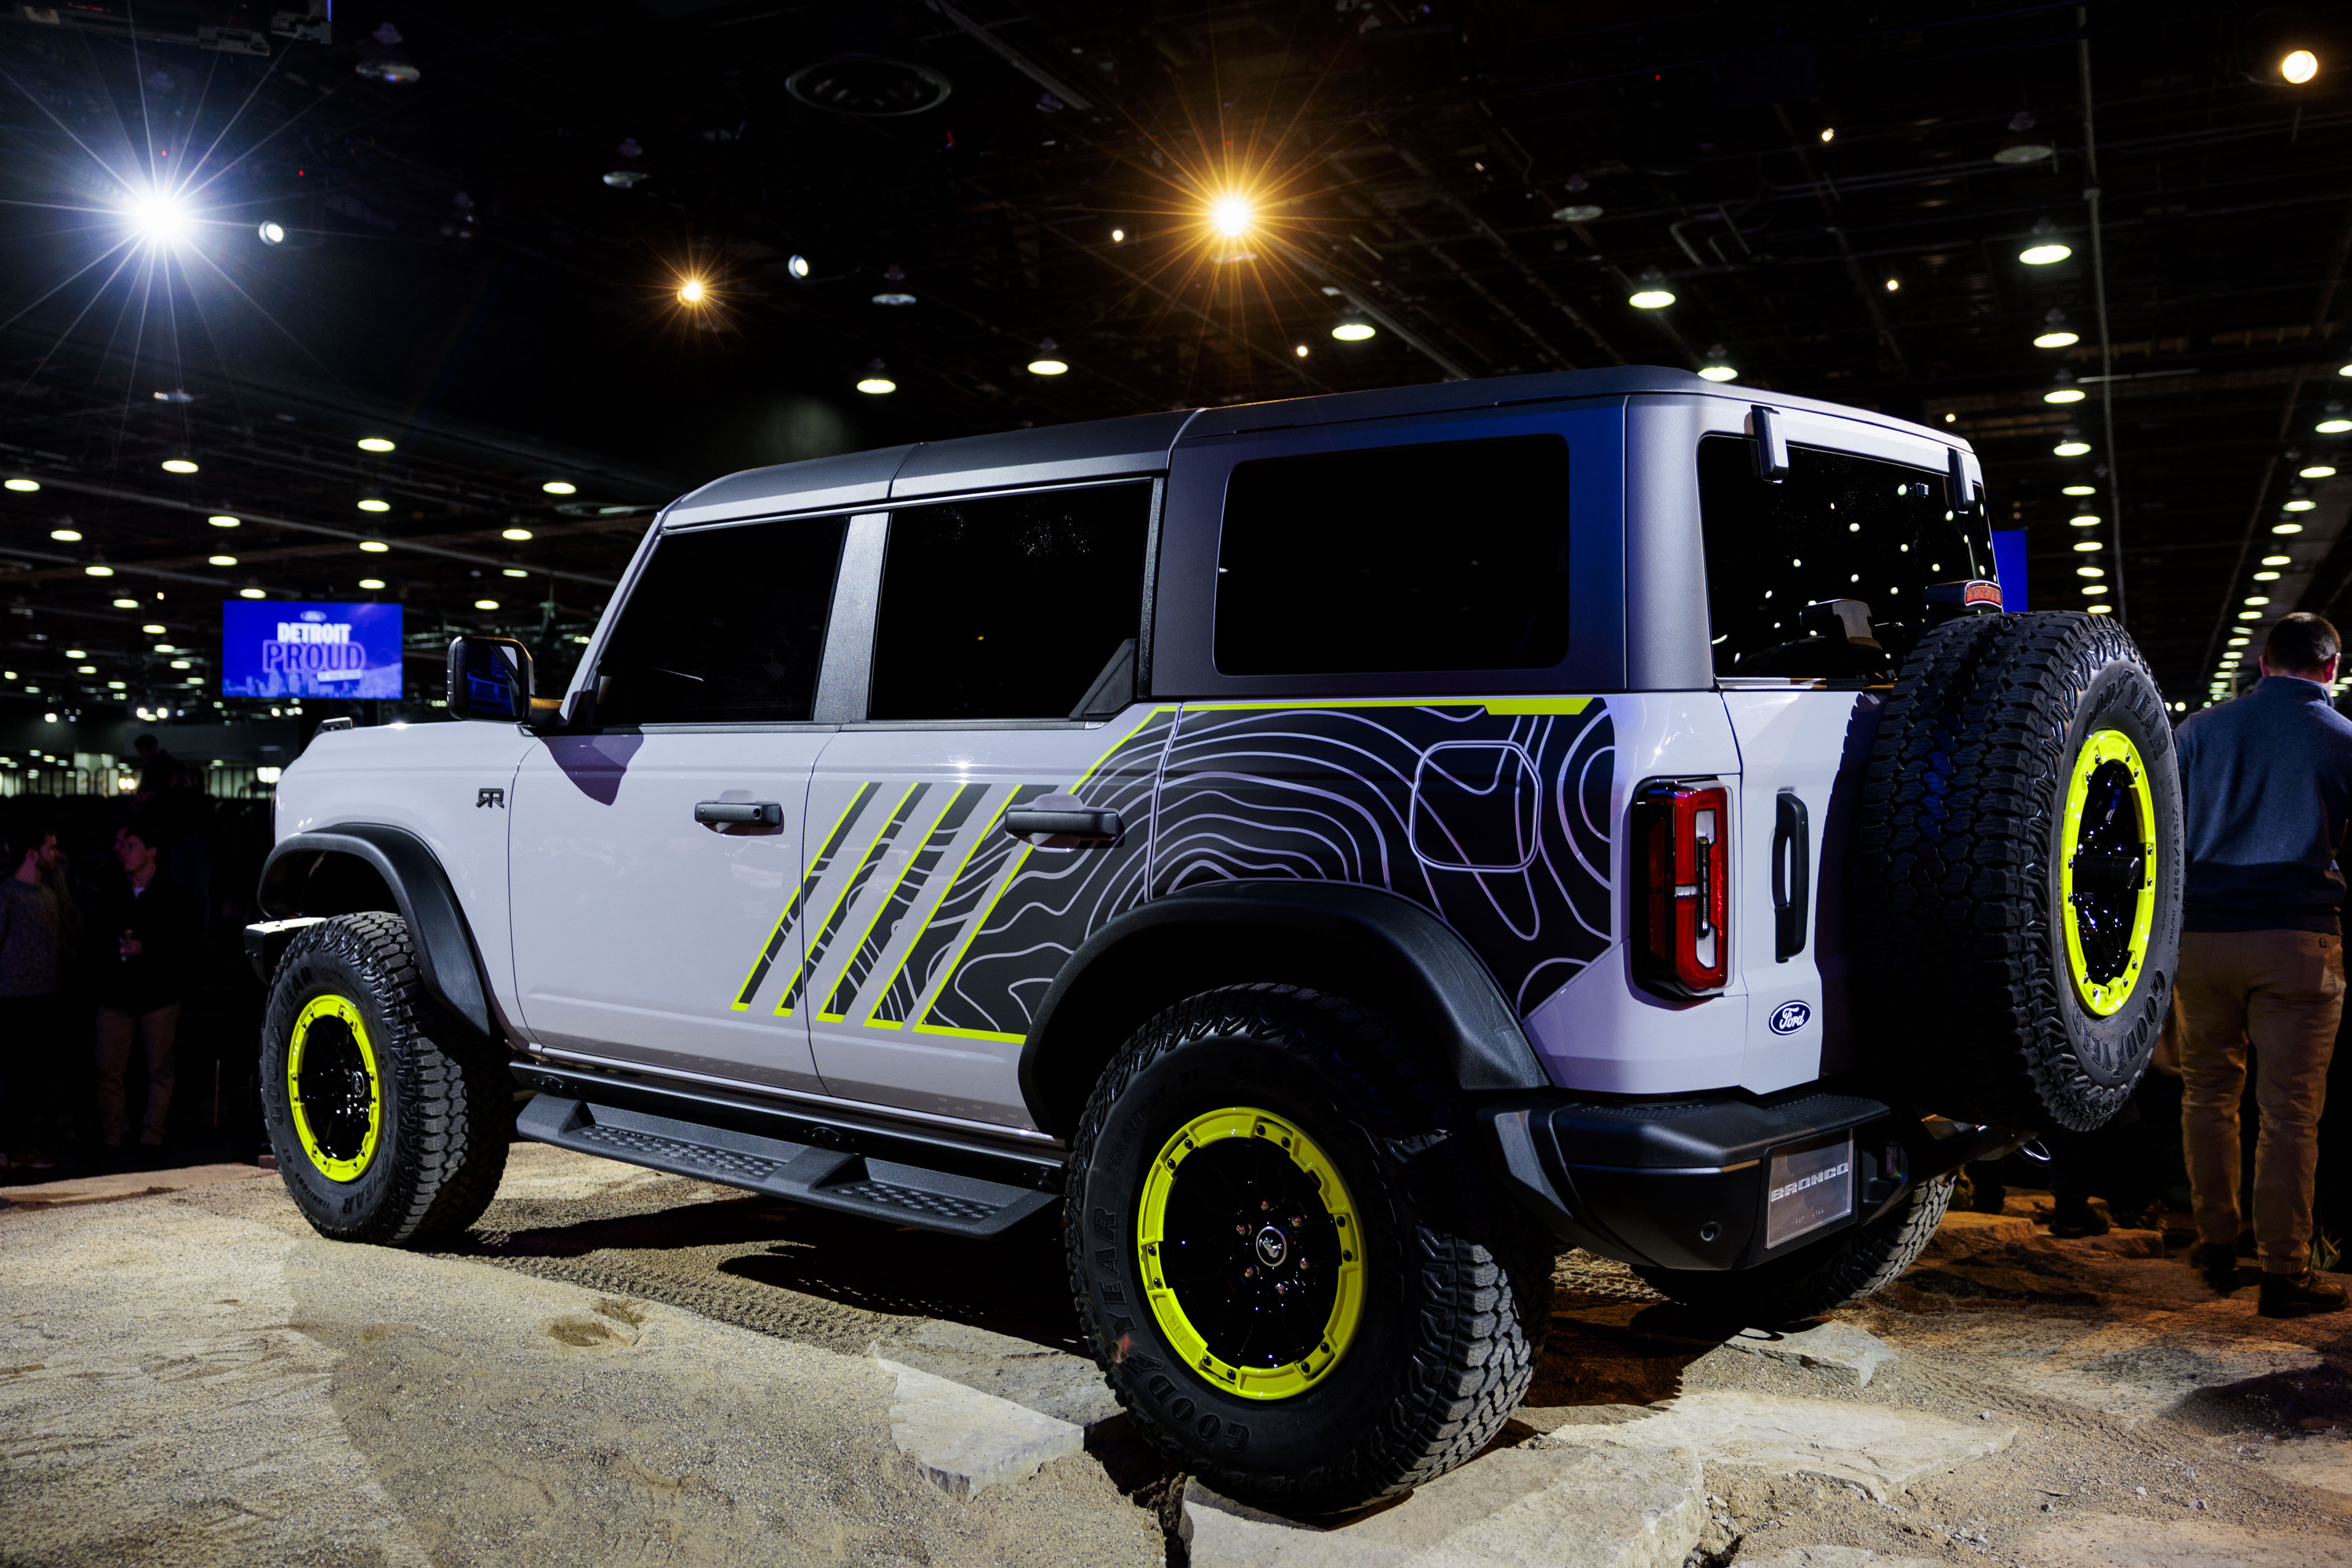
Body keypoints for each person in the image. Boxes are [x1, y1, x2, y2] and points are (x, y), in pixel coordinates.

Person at [2174, 612, 2352, 1317]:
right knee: (2291, 1115)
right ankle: (2284, 1270)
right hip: (2297, 942)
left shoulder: (2200, 732)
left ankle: (2215, 1245)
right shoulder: (2342, 739)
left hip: (2203, 938)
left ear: (2263, 663)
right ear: (2332, 667)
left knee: (2206, 1094)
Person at [91, 818, 201, 1156]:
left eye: (131, 846)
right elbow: (93, 936)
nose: (124, 853)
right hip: (118, 993)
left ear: (151, 852)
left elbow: (186, 945)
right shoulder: (112, 891)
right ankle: (114, 1135)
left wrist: (147, 949)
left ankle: (151, 1135)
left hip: (158, 994)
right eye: (122, 847)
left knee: (159, 1067)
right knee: (108, 1068)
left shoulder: (171, 895)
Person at [0, 819, 66, 1171]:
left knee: (36, 1077)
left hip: (45, 996)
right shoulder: (9, 893)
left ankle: (21, 1144)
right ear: (31, 853)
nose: (56, 855)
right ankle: (9, 1145)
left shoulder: (48, 893)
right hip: (15, 999)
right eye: (50, 848)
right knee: (19, 1076)